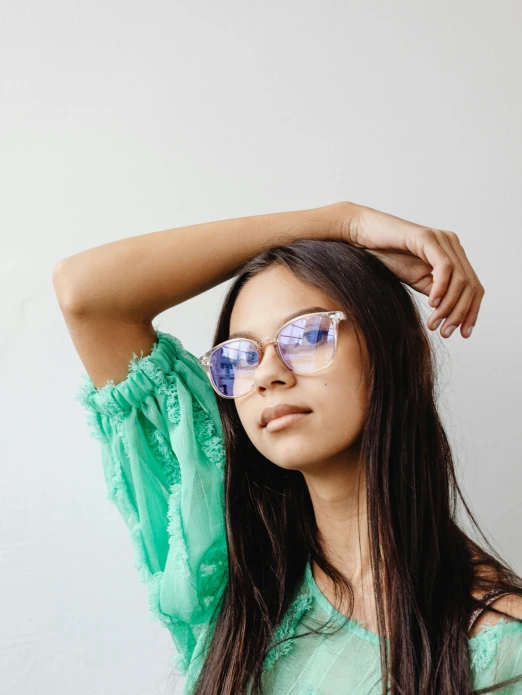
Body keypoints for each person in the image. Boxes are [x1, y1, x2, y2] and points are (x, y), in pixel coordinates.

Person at [53, 202, 522, 695]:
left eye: (308, 334)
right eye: (241, 355)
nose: (268, 374)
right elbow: (86, 295)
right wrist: (342, 222)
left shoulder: (497, 648)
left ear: (390, 351)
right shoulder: (230, 561)